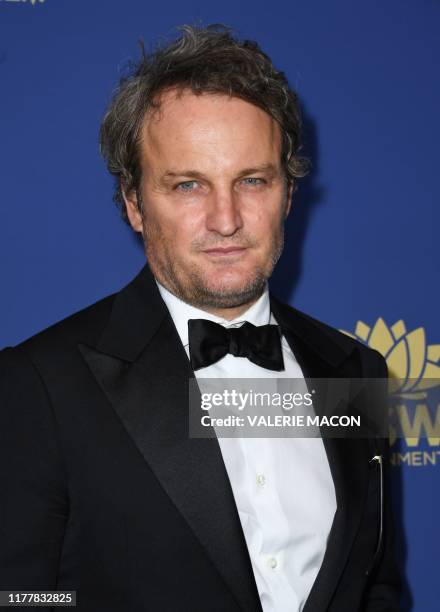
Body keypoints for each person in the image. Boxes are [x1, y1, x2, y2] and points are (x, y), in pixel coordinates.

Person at [0, 24, 401, 612]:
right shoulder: (39, 385)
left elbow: (375, 585)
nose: (226, 219)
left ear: (288, 193)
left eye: (253, 181)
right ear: (134, 203)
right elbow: (21, 596)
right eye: (188, 185)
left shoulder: (357, 369)